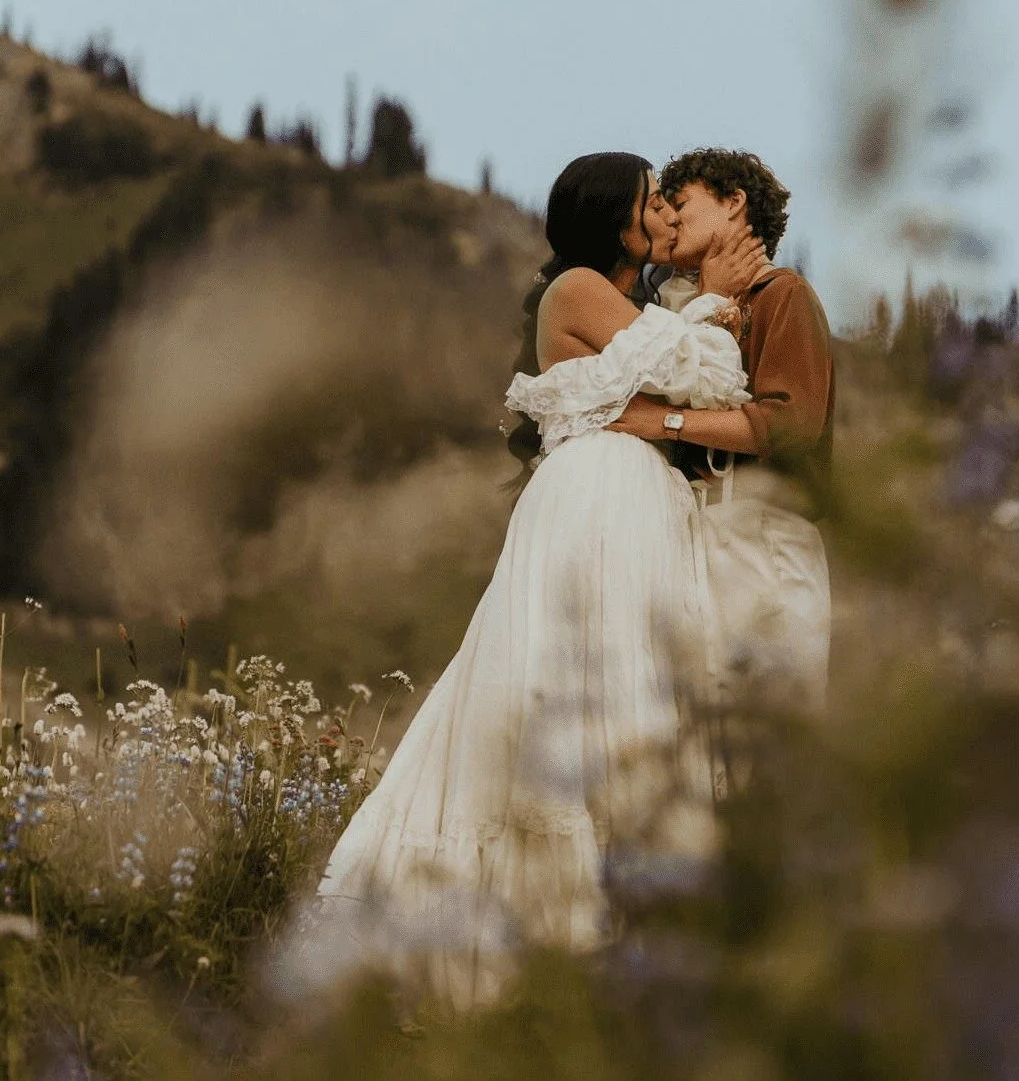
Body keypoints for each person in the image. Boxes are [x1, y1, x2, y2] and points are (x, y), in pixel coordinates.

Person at [307, 153, 759, 1008]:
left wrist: (690, 314)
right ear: (614, 221)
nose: (663, 213)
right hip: (593, 500)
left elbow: (689, 375)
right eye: (649, 202)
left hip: (638, 502)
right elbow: (705, 372)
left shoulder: (632, 301)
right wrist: (710, 303)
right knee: (566, 677)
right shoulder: (578, 287)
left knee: (636, 685)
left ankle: (632, 928)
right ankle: (537, 934)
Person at [607, 148, 833, 713]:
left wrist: (663, 422)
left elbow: (791, 424)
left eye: (681, 203)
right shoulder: (668, 308)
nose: (670, 218)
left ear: (735, 204)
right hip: (694, 538)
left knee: (770, 731)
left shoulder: (784, 295)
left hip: (765, 541)